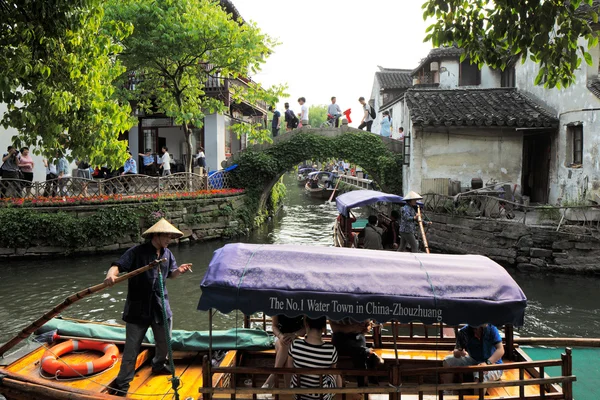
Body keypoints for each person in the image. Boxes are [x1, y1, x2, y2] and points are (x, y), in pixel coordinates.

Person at [105, 218, 193, 397]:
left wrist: (179, 271)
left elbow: (170, 274)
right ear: (156, 235)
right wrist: (110, 275)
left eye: (171, 236)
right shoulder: (136, 252)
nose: (169, 239)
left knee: (164, 343)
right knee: (131, 349)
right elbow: (117, 265)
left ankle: (159, 365)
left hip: (160, 306)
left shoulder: (168, 254)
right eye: (167, 236)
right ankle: (122, 384)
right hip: (138, 308)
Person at [287, 316, 341, 400]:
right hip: (321, 396)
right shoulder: (330, 350)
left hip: (298, 394)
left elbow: (289, 367)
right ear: (324, 328)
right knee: (336, 374)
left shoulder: (295, 344)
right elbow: (333, 371)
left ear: (306, 325)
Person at [330, 318, 383, 387]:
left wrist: (366, 327)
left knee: (359, 352)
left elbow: (366, 328)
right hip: (341, 339)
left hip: (358, 339)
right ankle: (363, 384)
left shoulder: (361, 309)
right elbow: (334, 328)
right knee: (360, 352)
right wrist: (352, 328)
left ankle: (363, 383)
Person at [261, 315, 306, 392]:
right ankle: (288, 389)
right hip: (280, 337)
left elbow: (305, 328)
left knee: (287, 351)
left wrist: (294, 335)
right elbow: (274, 326)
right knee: (286, 345)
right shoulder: (278, 304)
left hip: (296, 338)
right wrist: (280, 336)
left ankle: (271, 379)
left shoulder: (302, 304)